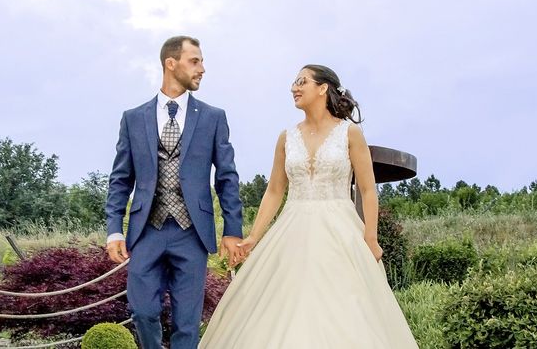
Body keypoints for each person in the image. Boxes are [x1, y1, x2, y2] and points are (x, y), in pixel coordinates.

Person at [199, 64, 419, 348]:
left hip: (340, 230)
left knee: (345, 306)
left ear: (323, 88)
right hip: (292, 228)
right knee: (284, 305)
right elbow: (275, 191)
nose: (294, 87)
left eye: (302, 82)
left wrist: (371, 237)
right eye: (294, 82)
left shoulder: (349, 134)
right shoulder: (286, 137)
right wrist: (254, 236)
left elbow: (367, 189)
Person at [105, 36, 245, 349]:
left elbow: (227, 177)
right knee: (142, 311)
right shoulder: (133, 118)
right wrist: (114, 230)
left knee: (187, 323)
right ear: (172, 63)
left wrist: (232, 230)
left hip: (192, 233)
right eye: (195, 61)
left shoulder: (213, 117)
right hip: (146, 232)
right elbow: (120, 179)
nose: (202, 69)